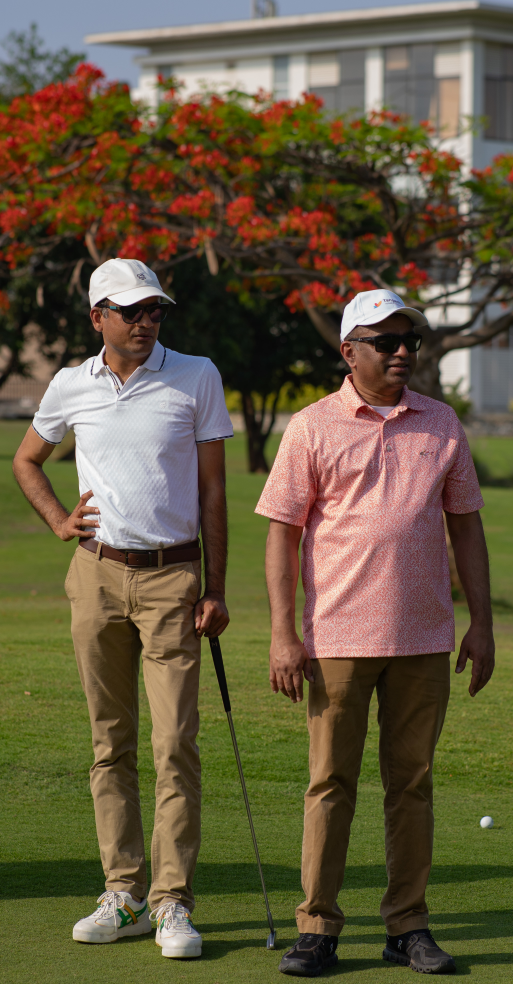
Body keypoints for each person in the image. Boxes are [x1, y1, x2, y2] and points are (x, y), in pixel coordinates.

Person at [255, 288, 495, 977]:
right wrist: (282, 634)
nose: (401, 353)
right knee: (330, 783)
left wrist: (481, 623)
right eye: (385, 342)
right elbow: (282, 536)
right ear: (348, 351)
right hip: (336, 638)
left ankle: (407, 925)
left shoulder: (442, 423)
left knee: (411, 785)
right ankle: (317, 928)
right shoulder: (312, 426)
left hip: (424, 638)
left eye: (409, 342)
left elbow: (466, 528)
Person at [12, 258, 233, 959]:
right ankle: (125, 892)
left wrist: (216, 587)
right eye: (131, 311)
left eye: (154, 310)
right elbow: (26, 459)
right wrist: (58, 520)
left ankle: (172, 902)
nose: (146, 321)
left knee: (175, 745)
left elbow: (215, 492)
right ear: (97, 317)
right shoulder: (70, 383)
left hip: (173, 579)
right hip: (96, 576)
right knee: (110, 744)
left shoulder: (196, 375)